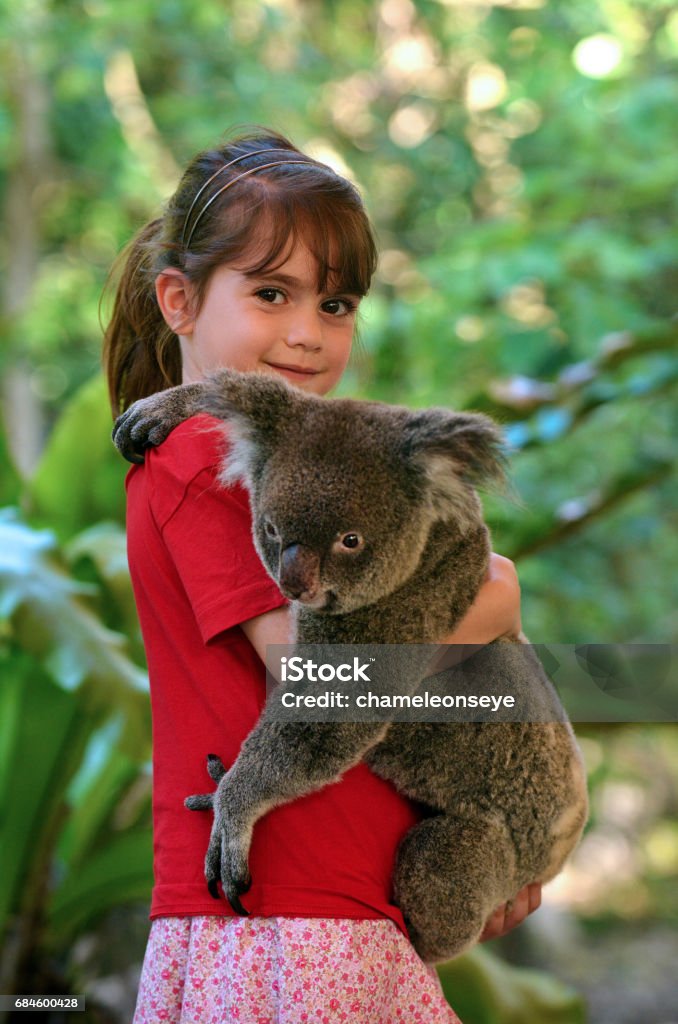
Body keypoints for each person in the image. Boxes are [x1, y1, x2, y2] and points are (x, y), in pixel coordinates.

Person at [103, 128, 541, 1024]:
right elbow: (317, 675)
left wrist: (491, 846)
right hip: (282, 922)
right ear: (179, 301)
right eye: (272, 294)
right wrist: (496, 598)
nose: (307, 334)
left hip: (342, 907)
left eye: (336, 305)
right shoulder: (201, 456)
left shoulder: (303, 463)